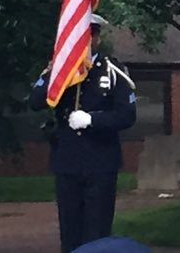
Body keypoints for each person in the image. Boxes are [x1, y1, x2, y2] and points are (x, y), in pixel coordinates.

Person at [29, 14, 137, 253]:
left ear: (96, 39)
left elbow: (127, 115)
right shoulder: (60, 71)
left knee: (97, 231)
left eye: (86, 37)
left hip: (100, 161)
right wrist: (53, 73)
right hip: (67, 160)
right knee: (70, 230)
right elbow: (35, 101)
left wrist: (93, 120)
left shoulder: (112, 71)